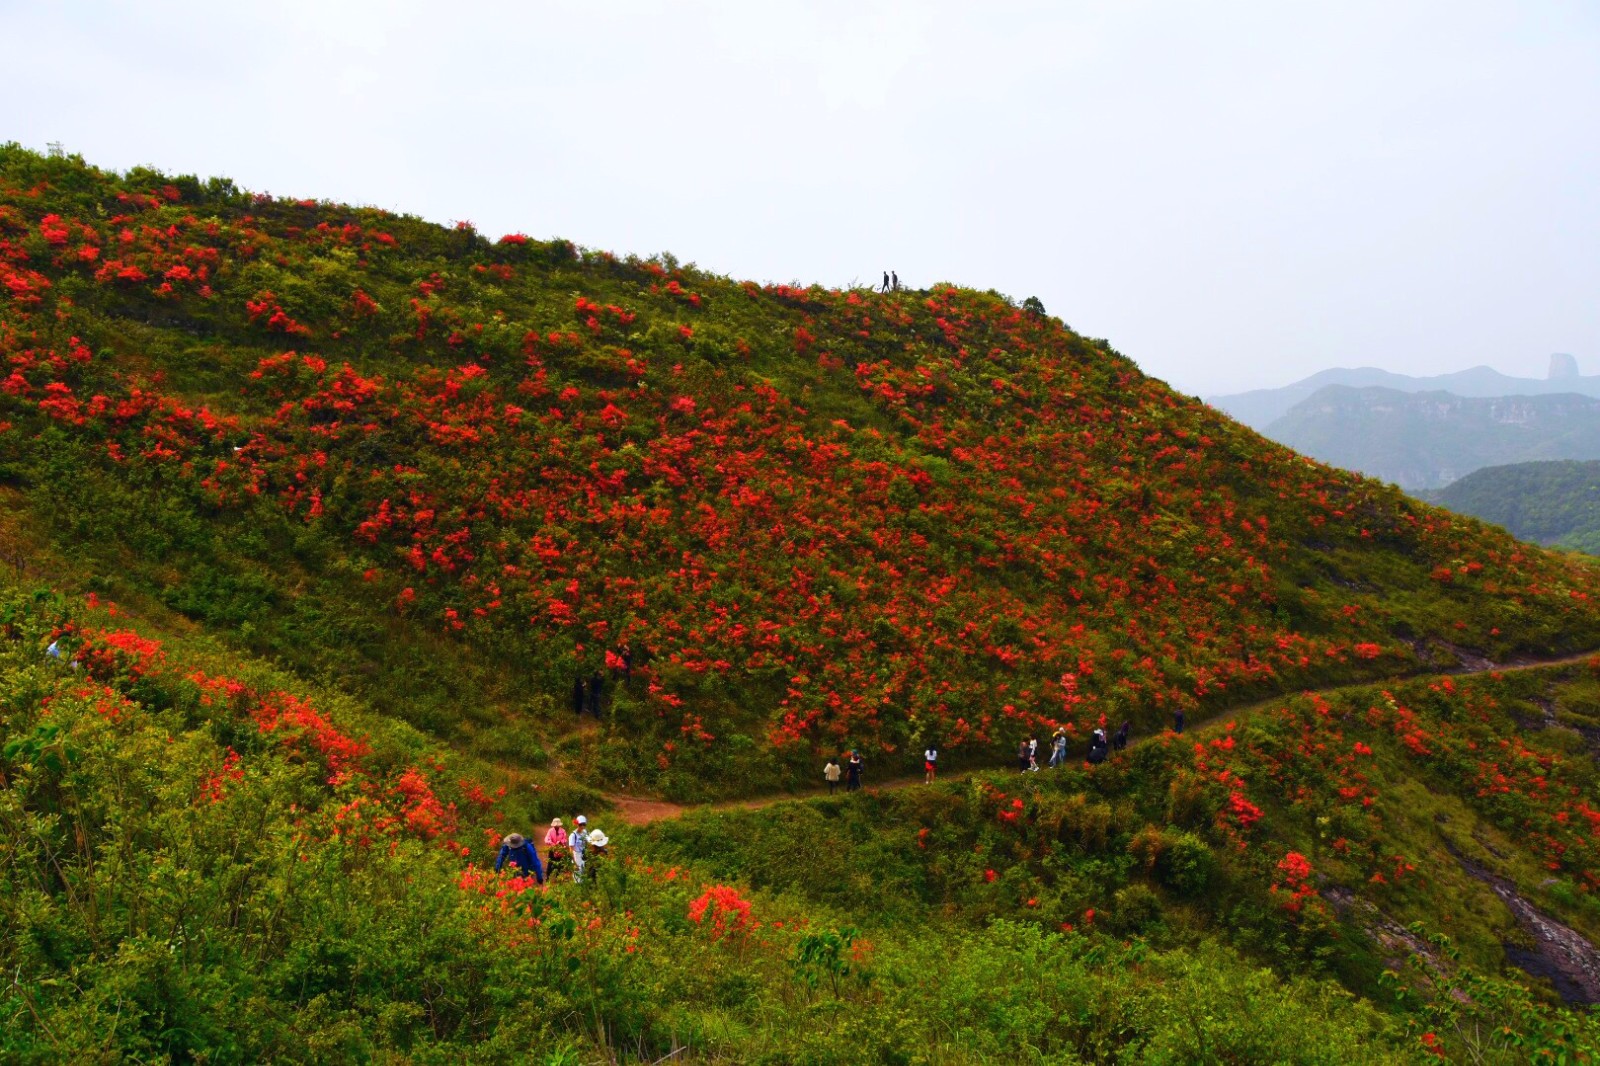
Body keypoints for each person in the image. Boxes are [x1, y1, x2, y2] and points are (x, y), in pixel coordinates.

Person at [570, 815, 589, 882]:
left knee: (584, 874)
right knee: (577, 877)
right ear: (577, 824)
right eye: (581, 824)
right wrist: (574, 863)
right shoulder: (573, 835)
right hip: (576, 855)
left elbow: (587, 842)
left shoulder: (585, 832)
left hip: (584, 855)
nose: (582, 826)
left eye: (584, 824)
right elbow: (571, 850)